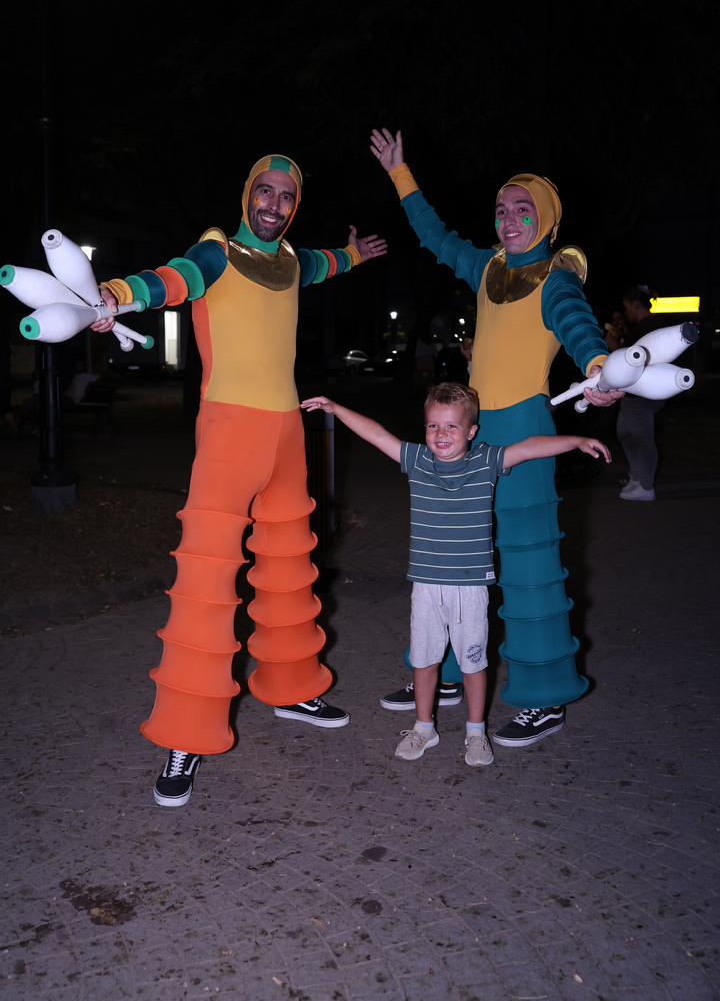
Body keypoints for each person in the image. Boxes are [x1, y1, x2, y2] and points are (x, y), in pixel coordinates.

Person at [94, 154, 387, 806]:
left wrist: (355, 254)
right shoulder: (218, 251)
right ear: (247, 194)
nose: (274, 204)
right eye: (265, 191)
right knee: (206, 589)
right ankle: (185, 738)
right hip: (228, 435)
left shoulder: (291, 260)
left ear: (294, 205)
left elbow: (325, 263)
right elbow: (172, 279)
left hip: (287, 434)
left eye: (285, 196)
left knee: (290, 572)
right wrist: (116, 294)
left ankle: (293, 689)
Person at [369, 128, 621, 748]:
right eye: (502, 210)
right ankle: (445, 677)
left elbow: (579, 328)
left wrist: (598, 369)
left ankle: (545, 697)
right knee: (453, 561)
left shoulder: (557, 278)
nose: (509, 220)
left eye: (522, 210)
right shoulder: (486, 266)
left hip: (525, 429)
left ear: (546, 221)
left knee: (530, 566)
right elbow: (435, 237)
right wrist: (401, 173)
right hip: (471, 430)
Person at [301, 384, 610, 765]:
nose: (441, 434)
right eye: (433, 426)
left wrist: (576, 440)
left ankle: (475, 732)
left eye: (451, 426)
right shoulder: (417, 460)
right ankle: (423, 727)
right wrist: (335, 407)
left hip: (470, 588)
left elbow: (530, 447)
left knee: (473, 664)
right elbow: (377, 434)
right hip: (427, 586)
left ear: (471, 431)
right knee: (424, 660)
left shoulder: (486, 461)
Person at [615, 285, 663, 501]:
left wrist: (612, 343)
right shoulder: (657, 324)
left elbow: (623, 360)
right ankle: (638, 477)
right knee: (624, 433)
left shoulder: (644, 328)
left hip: (641, 392)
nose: (626, 312)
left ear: (635, 304)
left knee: (642, 438)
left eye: (626, 307)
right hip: (644, 390)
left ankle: (646, 487)